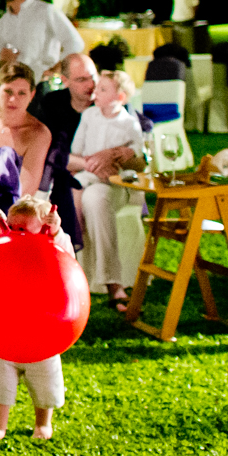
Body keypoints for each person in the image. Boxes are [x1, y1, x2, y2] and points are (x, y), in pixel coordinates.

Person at [0, 193, 73, 443]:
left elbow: (68, 260)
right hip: (7, 329)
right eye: (12, 227)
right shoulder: (6, 245)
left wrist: (56, 232)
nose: (15, 233)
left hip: (43, 331)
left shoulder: (52, 246)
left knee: (45, 381)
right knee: (2, 383)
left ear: (44, 228)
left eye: (22, 229)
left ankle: (43, 423)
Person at [0, 61, 80, 249]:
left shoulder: (38, 133)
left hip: (11, 216)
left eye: (21, 93)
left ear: (32, 95)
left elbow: (25, 191)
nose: (13, 99)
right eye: (8, 91)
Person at [70, 69, 147, 307]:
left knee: (94, 198)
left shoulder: (129, 124)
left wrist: (121, 155)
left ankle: (112, 281)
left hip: (116, 183)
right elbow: (75, 151)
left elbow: (139, 158)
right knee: (78, 195)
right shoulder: (89, 116)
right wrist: (95, 163)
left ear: (120, 97)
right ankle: (75, 273)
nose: (96, 93)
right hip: (87, 176)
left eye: (103, 89)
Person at [0, 0, 84, 79]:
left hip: (42, 82)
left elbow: (75, 42)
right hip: (17, 83)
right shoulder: (3, 22)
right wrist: (2, 61)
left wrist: (58, 66)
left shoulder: (45, 11)